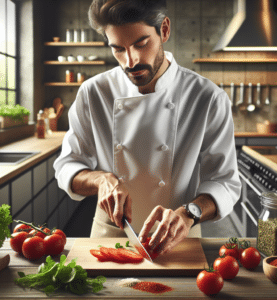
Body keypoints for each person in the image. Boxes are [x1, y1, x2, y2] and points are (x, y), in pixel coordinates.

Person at [54, 0, 241, 257]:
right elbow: (67, 168)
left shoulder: (207, 97)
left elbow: (224, 182)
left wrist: (189, 214)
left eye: (141, 44)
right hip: (112, 230)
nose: (131, 61)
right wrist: (101, 180)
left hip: (179, 232)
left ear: (164, 30)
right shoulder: (93, 92)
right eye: (118, 49)